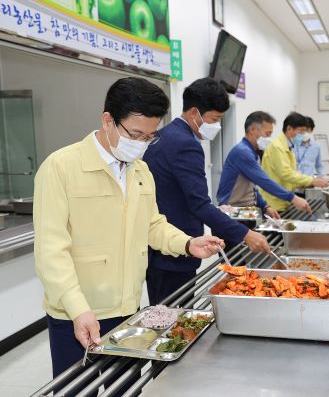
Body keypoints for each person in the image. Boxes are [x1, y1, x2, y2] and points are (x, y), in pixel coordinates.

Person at [33, 77, 223, 389]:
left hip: (127, 310)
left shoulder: (139, 170)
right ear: (108, 120)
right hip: (76, 314)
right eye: (135, 134)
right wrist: (78, 309)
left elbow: (152, 225)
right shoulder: (60, 168)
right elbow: (51, 251)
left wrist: (188, 244)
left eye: (149, 137)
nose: (141, 144)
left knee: (125, 388)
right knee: (78, 390)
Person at [143, 78, 270, 305]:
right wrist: (246, 234)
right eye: (215, 119)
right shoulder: (186, 144)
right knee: (173, 316)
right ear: (194, 112)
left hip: (156, 248)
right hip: (176, 248)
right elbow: (199, 204)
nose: (217, 126)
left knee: (160, 311)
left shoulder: (163, 135)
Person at [217, 111, 312, 217]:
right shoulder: (242, 152)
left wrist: (265, 206)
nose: (269, 139)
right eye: (267, 134)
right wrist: (293, 198)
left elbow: (253, 187)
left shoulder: (252, 152)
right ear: (253, 130)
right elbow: (264, 181)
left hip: (245, 211)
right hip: (232, 212)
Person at [260, 112, 329, 211]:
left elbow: (290, 174)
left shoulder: (288, 146)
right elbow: (286, 173)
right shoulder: (277, 147)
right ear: (289, 129)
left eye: (304, 132)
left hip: (284, 200)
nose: (302, 135)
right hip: (274, 203)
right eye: (300, 132)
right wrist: (312, 180)